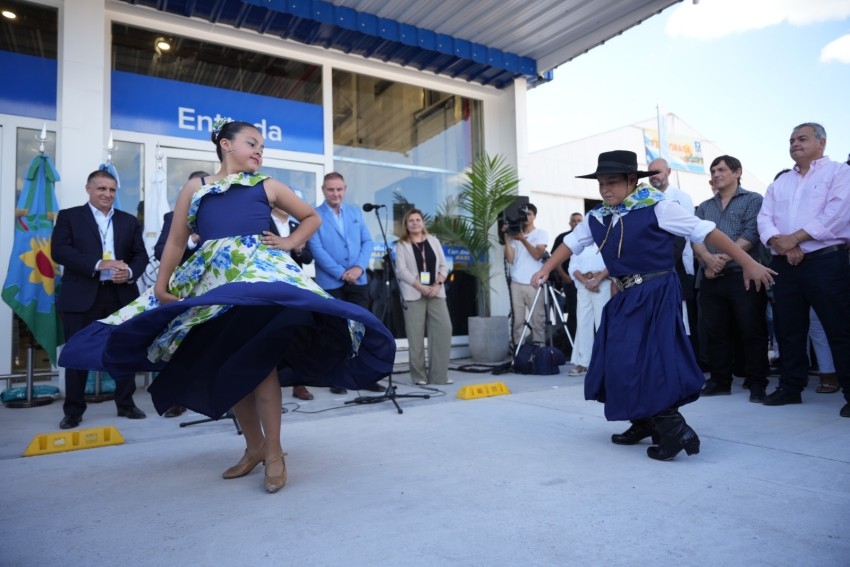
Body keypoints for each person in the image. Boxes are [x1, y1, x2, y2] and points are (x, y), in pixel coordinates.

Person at [58, 119, 396, 493]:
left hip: (259, 282)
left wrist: (288, 243)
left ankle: (275, 453)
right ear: (225, 144)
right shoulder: (196, 187)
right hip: (216, 283)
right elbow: (174, 242)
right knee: (231, 366)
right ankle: (254, 447)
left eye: (262, 147)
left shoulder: (266, 185)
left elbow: (311, 217)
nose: (259, 151)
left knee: (260, 365)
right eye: (252, 143)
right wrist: (160, 283)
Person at [532, 150, 775, 461]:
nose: (606, 189)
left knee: (645, 359)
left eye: (613, 182)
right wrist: (546, 268)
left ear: (632, 180)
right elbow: (571, 243)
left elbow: (705, 231)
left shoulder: (657, 207)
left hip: (656, 290)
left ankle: (674, 429)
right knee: (617, 357)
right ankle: (644, 420)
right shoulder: (599, 216)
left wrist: (749, 263)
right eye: (601, 184)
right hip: (626, 295)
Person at [757, 122, 850, 417]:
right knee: (789, 329)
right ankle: (790, 387)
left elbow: (837, 213)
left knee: (840, 328)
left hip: (826, 262)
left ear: (821, 143)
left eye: (802, 138)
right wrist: (784, 245)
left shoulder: (840, 173)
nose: (795, 143)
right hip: (785, 264)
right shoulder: (779, 183)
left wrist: (796, 238)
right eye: (792, 140)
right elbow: (765, 218)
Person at [52, 169, 150, 429]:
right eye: (101, 189)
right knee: (77, 352)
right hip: (81, 296)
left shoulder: (129, 221)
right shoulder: (69, 217)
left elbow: (141, 256)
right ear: (89, 189)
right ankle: (73, 409)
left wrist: (128, 272)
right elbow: (59, 251)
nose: (107, 194)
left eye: (112, 190)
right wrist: (98, 264)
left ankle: (126, 404)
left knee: (124, 349)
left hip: (121, 295)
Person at [692, 155, 770, 403]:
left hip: (741, 275)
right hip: (711, 275)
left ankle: (757, 382)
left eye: (722, 169)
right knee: (715, 331)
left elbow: (752, 232)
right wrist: (707, 260)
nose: (716, 174)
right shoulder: (704, 206)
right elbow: (695, 237)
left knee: (751, 330)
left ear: (737, 172)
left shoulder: (753, 200)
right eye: (713, 170)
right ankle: (720, 380)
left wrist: (722, 258)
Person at [308, 172, 385, 394]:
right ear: (323, 190)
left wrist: (359, 267)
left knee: (361, 328)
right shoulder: (314, 214)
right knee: (336, 330)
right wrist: (342, 273)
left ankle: (365, 376)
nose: (335, 193)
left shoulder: (355, 212)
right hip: (331, 282)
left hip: (358, 279)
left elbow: (367, 241)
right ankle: (337, 378)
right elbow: (316, 248)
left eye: (339, 189)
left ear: (345, 189)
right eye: (331, 189)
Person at [152, 170, 209, 418]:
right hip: (183, 293)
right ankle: (177, 399)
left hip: (213, 291)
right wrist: (191, 241)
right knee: (180, 346)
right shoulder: (172, 216)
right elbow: (160, 249)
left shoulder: (222, 216)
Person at [394, 208, 453, 385]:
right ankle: (419, 376)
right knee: (415, 336)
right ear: (406, 224)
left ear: (423, 222)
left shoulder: (433, 241)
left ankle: (439, 375)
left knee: (444, 329)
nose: (415, 223)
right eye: (411, 220)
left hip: (436, 292)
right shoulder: (401, 245)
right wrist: (420, 286)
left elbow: (444, 266)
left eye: (418, 220)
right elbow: (401, 271)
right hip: (414, 293)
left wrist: (438, 285)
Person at [647, 158, 699, 356]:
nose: (653, 176)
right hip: (650, 268)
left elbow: (685, 233)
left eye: (657, 171)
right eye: (650, 172)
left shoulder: (681, 197)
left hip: (676, 265)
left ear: (668, 172)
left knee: (682, 319)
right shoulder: (644, 198)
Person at [269, 205, 315, 401]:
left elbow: (308, 257)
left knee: (296, 334)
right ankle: (270, 386)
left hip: (293, 285)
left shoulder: (298, 226)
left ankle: (299, 383)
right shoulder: (264, 222)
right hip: (270, 284)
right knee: (271, 335)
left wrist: (298, 248)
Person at [503, 203, 549, 346]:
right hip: (516, 281)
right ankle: (519, 351)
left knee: (537, 319)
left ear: (534, 216)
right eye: (523, 214)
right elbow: (510, 259)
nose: (526, 217)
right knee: (517, 320)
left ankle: (539, 349)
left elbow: (537, 254)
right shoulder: (514, 233)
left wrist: (523, 239)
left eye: (529, 214)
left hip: (534, 282)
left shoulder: (541, 233)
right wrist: (507, 237)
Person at [567, 242, 612, 376]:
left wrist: (597, 280)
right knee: (583, 322)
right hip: (583, 285)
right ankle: (583, 362)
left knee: (602, 322)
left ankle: (604, 362)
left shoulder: (606, 238)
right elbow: (573, 267)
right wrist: (587, 282)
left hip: (603, 283)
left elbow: (612, 262)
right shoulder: (580, 242)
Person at [550, 212, 583, 356]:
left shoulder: (588, 237)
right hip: (570, 282)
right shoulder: (563, 238)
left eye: (579, 220)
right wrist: (565, 277)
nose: (576, 223)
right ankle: (571, 348)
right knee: (573, 314)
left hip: (587, 282)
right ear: (570, 223)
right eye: (574, 221)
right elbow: (556, 259)